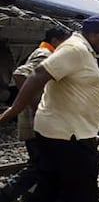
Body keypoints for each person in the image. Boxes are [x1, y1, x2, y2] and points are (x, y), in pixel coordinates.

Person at [0, 15, 99, 202]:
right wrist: (15, 109)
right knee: (81, 190)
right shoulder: (76, 48)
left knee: (50, 187)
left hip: (67, 133)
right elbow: (37, 73)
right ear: (94, 34)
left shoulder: (82, 50)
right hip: (69, 137)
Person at [0, 27, 70, 202]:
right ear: (55, 41)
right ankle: (6, 195)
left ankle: (29, 196)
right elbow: (20, 74)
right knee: (40, 165)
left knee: (42, 164)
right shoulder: (46, 54)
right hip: (38, 123)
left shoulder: (44, 51)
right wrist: (38, 106)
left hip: (37, 122)